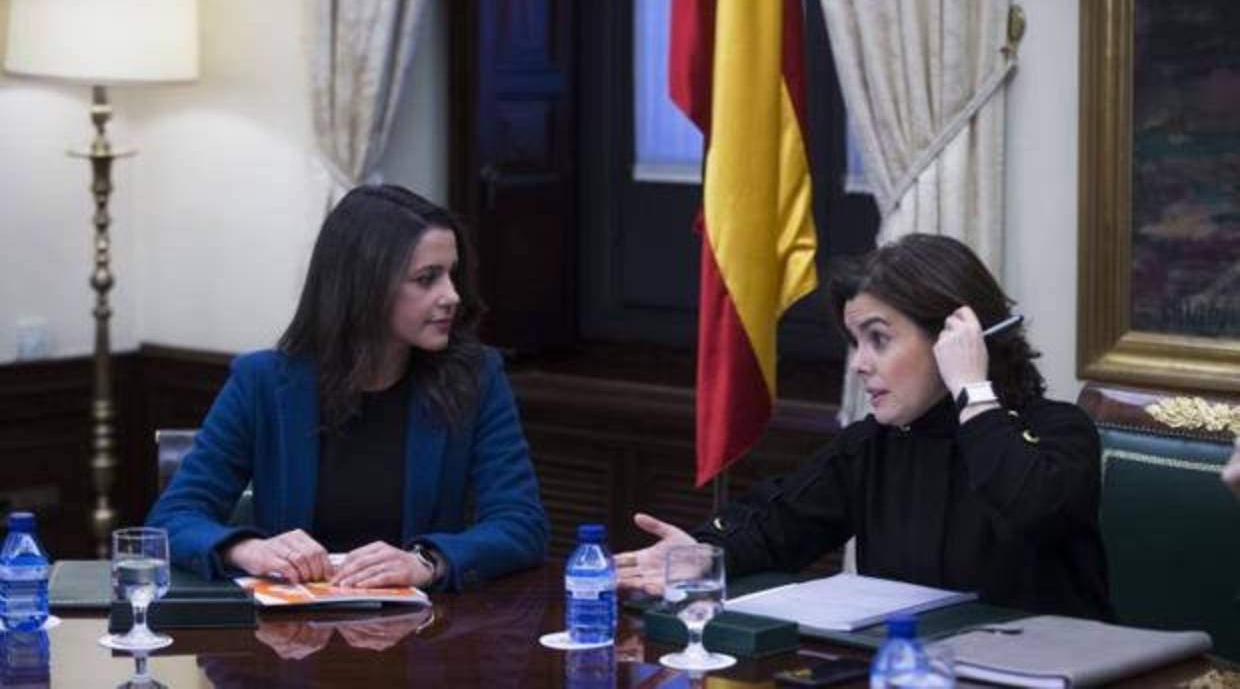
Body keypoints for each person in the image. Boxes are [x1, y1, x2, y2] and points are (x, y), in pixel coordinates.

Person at [616, 233, 1113, 620]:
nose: (859, 364)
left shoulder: (1061, 433)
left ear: (953, 339)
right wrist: (705, 553)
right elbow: (777, 524)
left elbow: (1029, 509)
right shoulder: (873, 446)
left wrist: (971, 389)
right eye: (856, 342)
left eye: (878, 340)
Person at [147, 184, 548, 591]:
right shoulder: (262, 382)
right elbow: (173, 518)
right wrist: (250, 550)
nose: (452, 296)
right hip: (290, 636)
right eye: (427, 279)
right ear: (363, 285)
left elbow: (521, 524)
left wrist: (426, 562)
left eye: (452, 275)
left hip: (422, 634)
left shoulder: (476, 377)